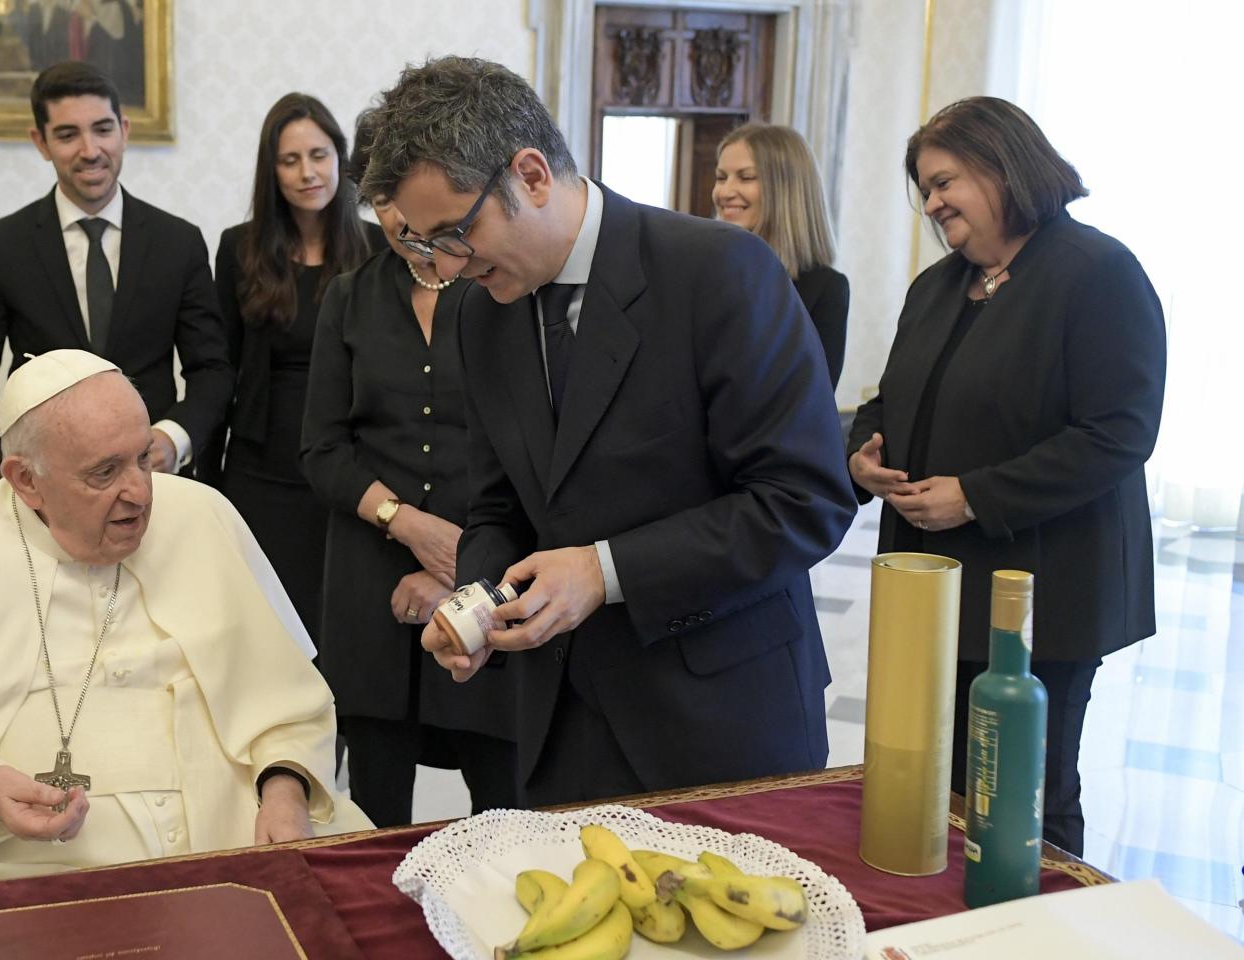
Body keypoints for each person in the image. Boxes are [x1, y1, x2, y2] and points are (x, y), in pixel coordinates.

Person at [360, 57, 856, 807]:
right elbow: (498, 505)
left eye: (455, 234)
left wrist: (606, 571)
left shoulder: (721, 272)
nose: (447, 267)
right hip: (562, 726)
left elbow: (805, 500)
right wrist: (479, 605)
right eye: (424, 246)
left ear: (530, 175)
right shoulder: (477, 314)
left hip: (721, 720)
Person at [0, 351, 371, 882]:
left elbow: (290, 705)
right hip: (32, 869)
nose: (141, 493)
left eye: (144, 457)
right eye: (104, 473)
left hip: (239, 839)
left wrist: (285, 791)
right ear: (25, 478)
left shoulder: (203, 517)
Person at [847, 97, 1165, 855]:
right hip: (935, 591)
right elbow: (887, 398)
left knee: (1024, 792)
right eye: (925, 188)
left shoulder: (1097, 272)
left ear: (1003, 166)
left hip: (1043, 593)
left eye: (946, 181)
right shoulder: (939, 286)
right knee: (945, 791)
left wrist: (976, 495)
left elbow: (1121, 432)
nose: (933, 204)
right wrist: (863, 454)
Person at [298, 117, 517, 827]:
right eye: (379, 195)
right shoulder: (348, 298)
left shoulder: (500, 294)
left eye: (403, 193)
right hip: (369, 580)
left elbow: (525, 454)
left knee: (502, 805)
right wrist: (407, 523)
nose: (394, 216)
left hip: (486, 571)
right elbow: (322, 450)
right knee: (375, 812)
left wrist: (455, 563)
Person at [0, 61, 231, 479]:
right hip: (42, 488)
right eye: (67, 134)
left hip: (154, 479)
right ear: (40, 142)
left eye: (102, 129)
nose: (90, 149)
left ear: (124, 131)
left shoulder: (178, 243)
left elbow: (212, 369)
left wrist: (173, 438)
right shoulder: (1, 246)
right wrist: (17, 459)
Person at [204, 93, 373, 635]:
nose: (308, 173)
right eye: (290, 160)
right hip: (262, 469)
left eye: (319, 155)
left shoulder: (376, 249)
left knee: (340, 623)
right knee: (266, 627)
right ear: (270, 170)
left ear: (340, 159)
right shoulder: (240, 248)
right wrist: (207, 482)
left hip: (350, 469)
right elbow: (220, 366)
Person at [713, 123, 849, 390]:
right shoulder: (699, 272)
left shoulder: (825, 288)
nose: (725, 192)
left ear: (785, 189)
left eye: (746, 177)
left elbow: (813, 395)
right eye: (721, 177)